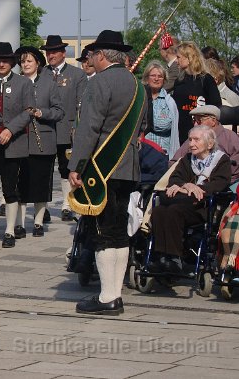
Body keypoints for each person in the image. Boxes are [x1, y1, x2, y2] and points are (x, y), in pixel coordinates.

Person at [69, 30, 146, 316]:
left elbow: (89, 127)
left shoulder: (99, 82)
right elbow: (143, 126)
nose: (89, 58)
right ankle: (114, 293)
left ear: (101, 55)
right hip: (129, 167)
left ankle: (107, 297)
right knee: (118, 232)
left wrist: (76, 165)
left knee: (102, 232)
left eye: (91, 54)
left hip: (103, 168)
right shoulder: (138, 85)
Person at [151, 125, 231, 273]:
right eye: (190, 140)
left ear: (209, 144)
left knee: (174, 211)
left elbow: (220, 182)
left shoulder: (222, 160)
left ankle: (174, 258)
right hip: (183, 201)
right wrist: (186, 185)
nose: (191, 144)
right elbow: (175, 178)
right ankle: (161, 256)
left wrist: (197, 189)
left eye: (196, 140)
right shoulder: (187, 159)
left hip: (203, 206)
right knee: (158, 211)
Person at [0, 42, 33, 249]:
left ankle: (10, 231)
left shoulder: (23, 83)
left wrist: (10, 129)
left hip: (13, 141)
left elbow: (29, 110)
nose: (1, 64)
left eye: (5, 60)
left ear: (12, 62)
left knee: (10, 188)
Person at [15, 46, 63, 237]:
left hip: (43, 138)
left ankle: (37, 221)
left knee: (41, 182)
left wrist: (42, 113)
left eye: (29, 61)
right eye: (23, 61)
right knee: (20, 183)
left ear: (38, 64)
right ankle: (18, 222)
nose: (25, 64)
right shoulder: (16, 83)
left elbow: (59, 111)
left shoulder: (48, 84)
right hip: (20, 139)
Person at [40, 35, 87, 222]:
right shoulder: (41, 74)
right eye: (48, 52)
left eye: (53, 52)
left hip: (66, 131)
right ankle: (42, 207)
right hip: (43, 130)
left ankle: (67, 205)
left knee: (67, 169)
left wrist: (77, 129)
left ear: (63, 53)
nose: (50, 55)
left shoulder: (77, 75)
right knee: (44, 169)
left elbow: (81, 106)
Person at [171, 105, 239, 183]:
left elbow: (235, 167)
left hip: (223, 184)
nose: (195, 125)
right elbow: (174, 162)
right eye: (194, 121)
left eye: (199, 121)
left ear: (213, 121)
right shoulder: (193, 138)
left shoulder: (230, 138)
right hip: (191, 182)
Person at [171, 41, 221, 141]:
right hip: (180, 133)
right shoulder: (179, 81)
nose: (176, 61)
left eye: (178, 57)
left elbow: (216, 105)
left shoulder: (206, 80)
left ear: (189, 58)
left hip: (201, 134)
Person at [142, 60, 180, 157]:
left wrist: (144, 121)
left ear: (164, 80)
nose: (156, 79)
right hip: (141, 150)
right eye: (153, 76)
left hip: (161, 152)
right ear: (147, 78)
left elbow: (163, 124)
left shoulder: (169, 102)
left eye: (160, 76)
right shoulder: (140, 98)